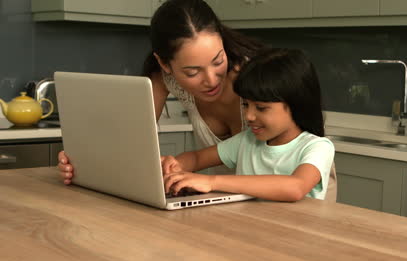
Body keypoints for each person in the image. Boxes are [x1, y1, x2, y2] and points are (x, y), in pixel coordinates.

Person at [57, 0, 265, 181]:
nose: (211, 80)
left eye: (218, 61)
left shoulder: (261, 77)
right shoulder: (163, 78)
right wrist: (82, 161)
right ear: (165, 65)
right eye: (193, 72)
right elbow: (131, 143)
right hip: (221, 201)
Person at [161, 48, 335, 201]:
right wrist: (175, 166)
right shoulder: (246, 141)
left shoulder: (317, 147)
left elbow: (295, 187)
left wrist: (211, 182)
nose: (249, 115)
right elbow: (197, 158)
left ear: (297, 104)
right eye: (245, 104)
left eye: (261, 108)